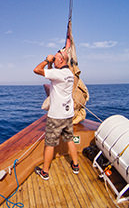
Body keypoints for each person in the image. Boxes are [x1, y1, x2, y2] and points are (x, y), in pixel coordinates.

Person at [33, 29, 79, 180]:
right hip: (68, 114)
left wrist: (47, 60)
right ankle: (76, 165)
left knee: (50, 144)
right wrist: (53, 63)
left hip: (56, 116)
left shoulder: (58, 74)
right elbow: (51, 76)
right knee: (69, 139)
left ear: (60, 61)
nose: (54, 60)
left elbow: (36, 70)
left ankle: (45, 172)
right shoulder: (69, 74)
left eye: (55, 59)